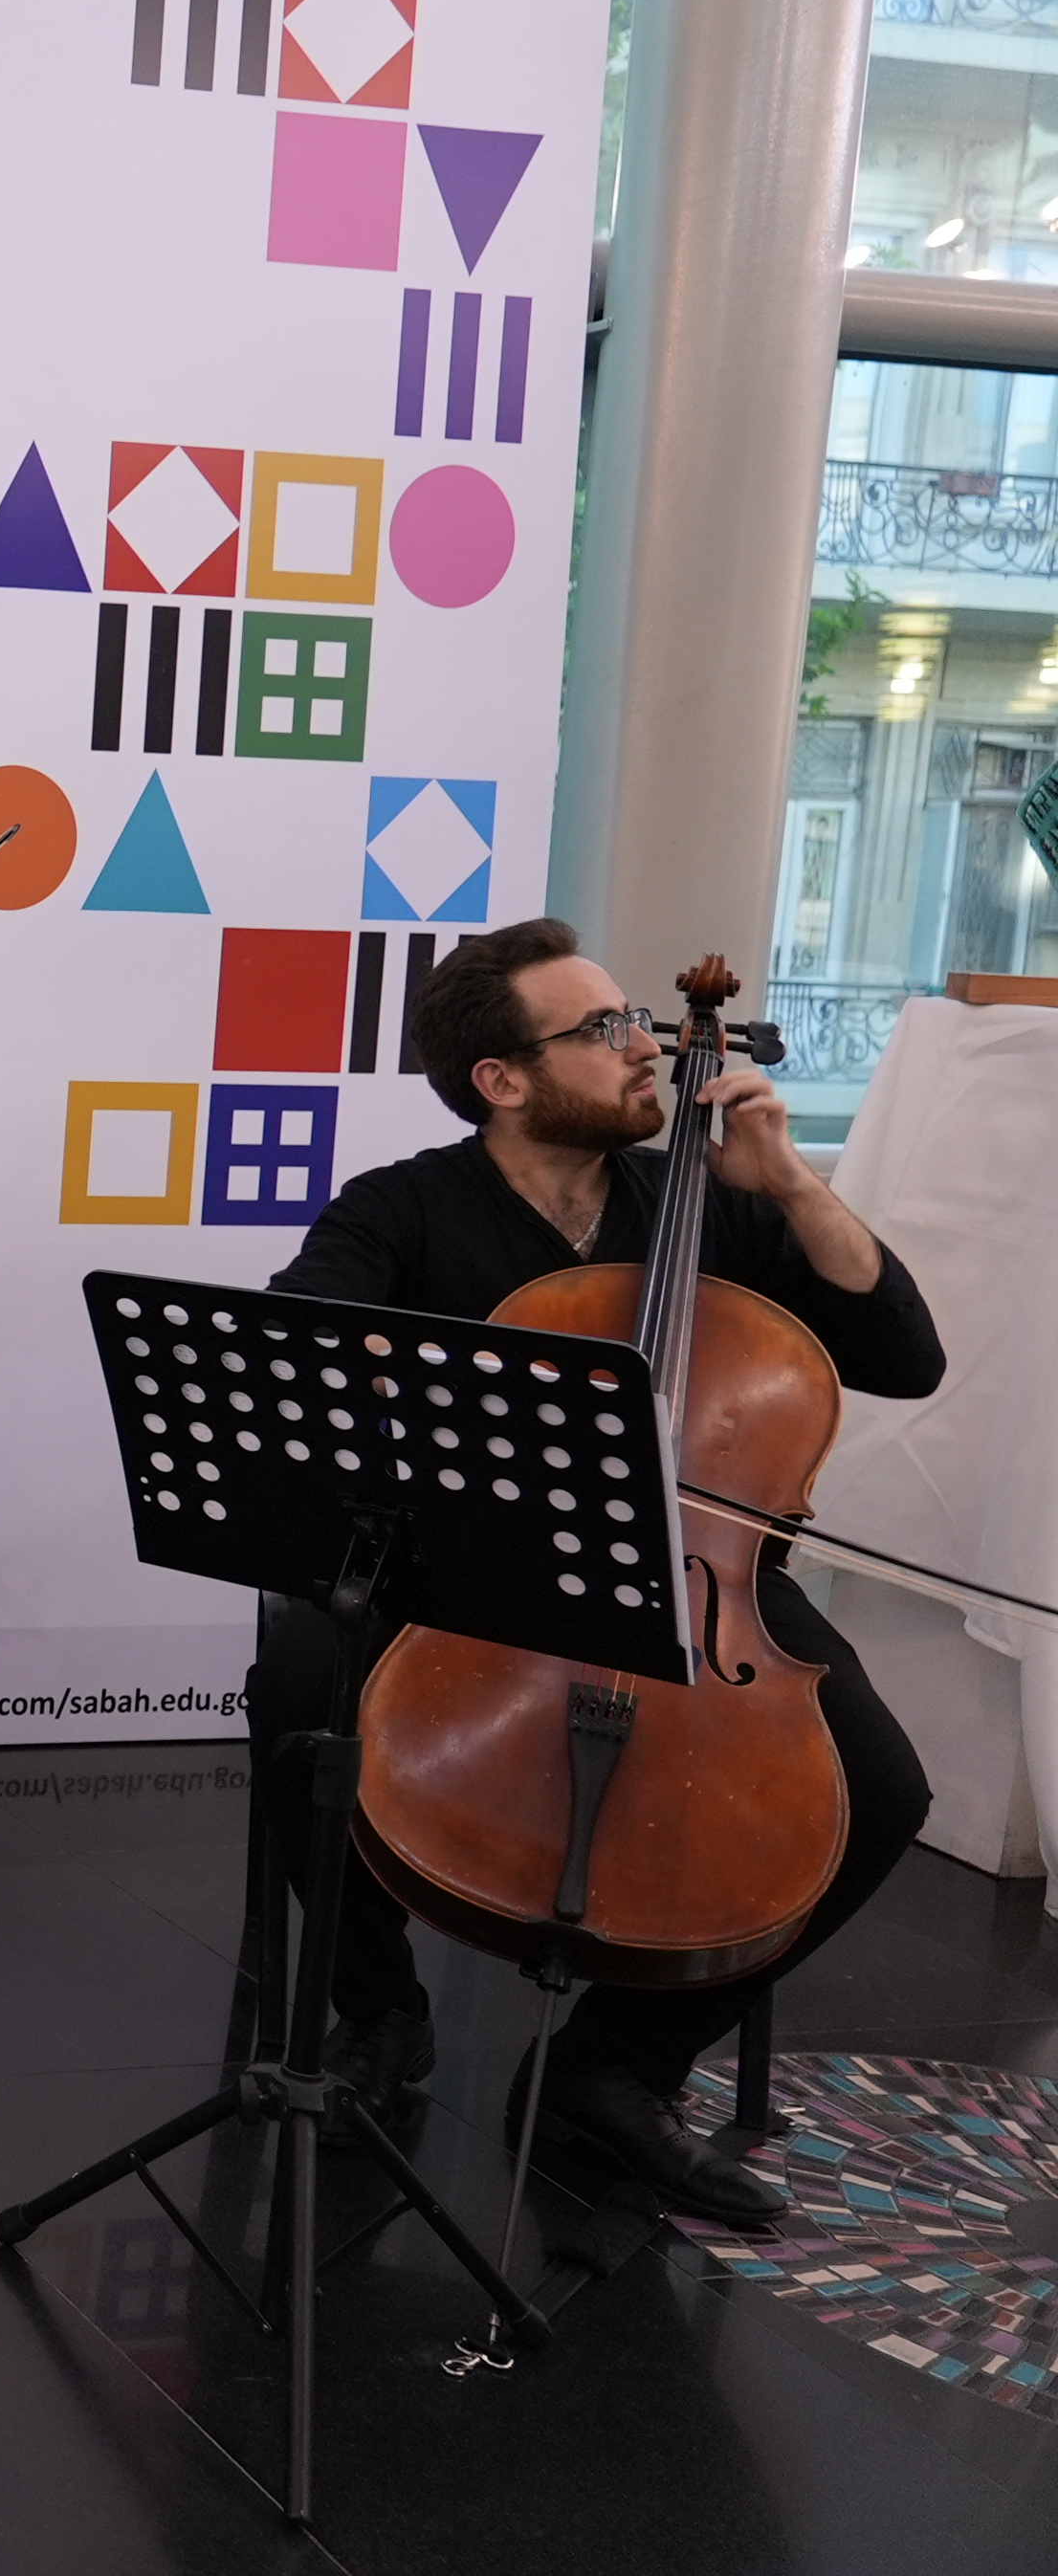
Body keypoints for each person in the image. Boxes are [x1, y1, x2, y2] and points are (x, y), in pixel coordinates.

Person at [251, 916, 943, 2224]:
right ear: (502, 1080)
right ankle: (381, 2014)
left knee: (884, 1789)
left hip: (696, 1570)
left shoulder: (706, 1200)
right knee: (296, 1679)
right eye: (603, 1029)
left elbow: (905, 1358)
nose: (644, 1050)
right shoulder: (402, 1206)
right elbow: (306, 1347)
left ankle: (613, 2068)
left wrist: (793, 1185)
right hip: (462, 1563)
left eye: (637, 1021)